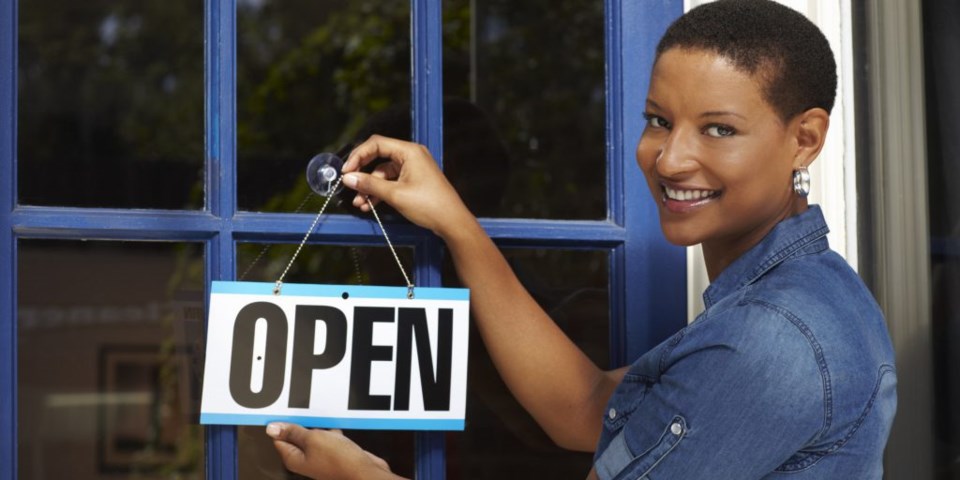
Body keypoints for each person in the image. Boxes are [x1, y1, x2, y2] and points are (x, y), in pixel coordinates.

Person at [264, 0, 897, 478]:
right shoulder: (802, 291)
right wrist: (456, 223)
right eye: (658, 121)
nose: (670, 158)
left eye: (719, 130)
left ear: (805, 138)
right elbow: (586, 405)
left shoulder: (771, 338)